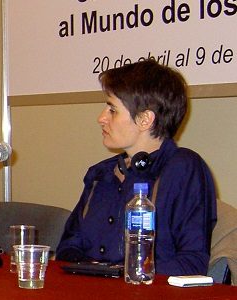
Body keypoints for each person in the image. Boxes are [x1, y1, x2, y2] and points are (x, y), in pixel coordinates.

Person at [56, 60, 217, 276]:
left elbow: (192, 262)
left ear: (145, 119)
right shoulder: (101, 175)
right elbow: (68, 248)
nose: (101, 118)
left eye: (112, 110)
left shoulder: (183, 169)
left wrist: (122, 273)